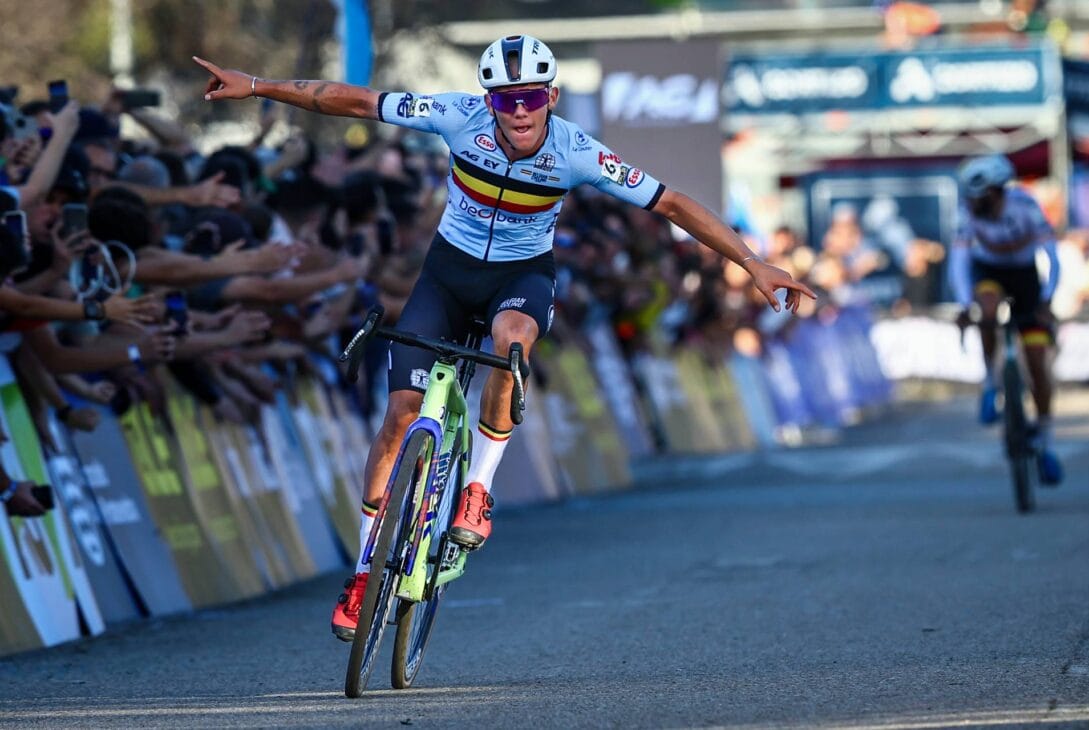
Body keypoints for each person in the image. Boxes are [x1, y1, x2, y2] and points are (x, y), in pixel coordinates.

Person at [194, 34, 816, 642]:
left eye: (532, 97)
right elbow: (354, 101)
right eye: (506, 99)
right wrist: (258, 86)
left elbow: (672, 203)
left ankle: (477, 489)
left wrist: (753, 263)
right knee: (400, 416)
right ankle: (363, 575)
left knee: (510, 339)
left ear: (552, 96)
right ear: (487, 100)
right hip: (446, 276)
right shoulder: (456, 116)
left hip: (521, 278)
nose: (520, 111)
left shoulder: (577, 152)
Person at [949, 153, 1063, 485]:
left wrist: (1047, 300)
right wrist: (963, 305)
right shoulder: (967, 214)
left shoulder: (1026, 206)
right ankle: (990, 382)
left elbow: (1052, 258)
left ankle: (1046, 442)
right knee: (985, 308)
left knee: (1038, 363)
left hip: (1026, 278)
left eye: (978, 197)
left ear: (997, 191)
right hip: (990, 273)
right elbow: (959, 263)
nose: (972, 204)